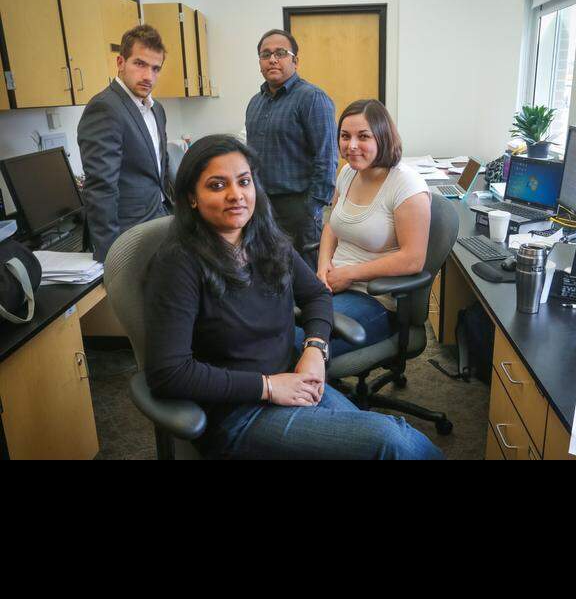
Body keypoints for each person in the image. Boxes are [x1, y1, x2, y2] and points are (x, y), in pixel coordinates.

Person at [144, 134, 443, 460]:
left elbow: (316, 294)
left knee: (392, 439)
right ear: (191, 197)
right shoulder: (178, 263)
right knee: (391, 441)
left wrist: (315, 348)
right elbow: (168, 373)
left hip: (294, 381)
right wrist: (268, 386)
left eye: (244, 182)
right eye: (217, 186)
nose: (236, 195)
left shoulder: (263, 240)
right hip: (239, 414)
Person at [307, 99, 431, 358]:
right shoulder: (348, 173)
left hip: (375, 298)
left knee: (299, 343)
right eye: (345, 136)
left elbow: (413, 260)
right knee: (271, 325)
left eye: (363, 136)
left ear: (382, 137)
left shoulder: (406, 186)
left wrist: (349, 274)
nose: (351, 146)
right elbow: (332, 225)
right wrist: (322, 267)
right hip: (333, 284)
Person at [78, 25, 174, 263]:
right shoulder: (105, 107)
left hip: (159, 218)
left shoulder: (156, 109)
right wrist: (110, 256)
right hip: (128, 234)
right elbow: (101, 187)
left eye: (155, 68)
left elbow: (159, 168)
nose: (147, 76)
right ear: (120, 62)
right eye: (139, 64)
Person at [245, 29, 337, 271]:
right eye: (266, 54)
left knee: (304, 279)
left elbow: (326, 159)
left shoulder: (312, 98)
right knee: (269, 274)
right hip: (262, 207)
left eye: (281, 53)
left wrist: (312, 209)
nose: (273, 59)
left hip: (299, 209)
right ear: (260, 63)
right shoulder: (255, 103)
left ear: (295, 61)